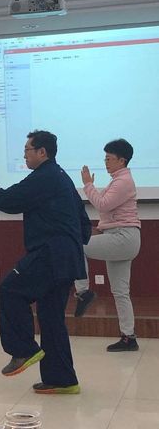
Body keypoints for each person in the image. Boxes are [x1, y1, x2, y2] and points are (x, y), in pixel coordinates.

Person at [0, 130, 91, 395]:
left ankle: (23, 350)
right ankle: (63, 379)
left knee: (10, 290)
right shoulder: (61, 177)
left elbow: (8, 201)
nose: (25, 156)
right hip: (66, 258)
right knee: (51, 318)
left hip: (50, 253)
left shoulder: (44, 177)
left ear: (42, 152)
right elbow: (84, 223)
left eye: (27, 150)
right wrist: (71, 245)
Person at [74, 138, 141, 352]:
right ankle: (129, 337)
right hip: (122, 237)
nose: (106, 162)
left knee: (75, 247)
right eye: (105, 159)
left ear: (122, 160)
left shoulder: (123, 181)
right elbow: (108, 210)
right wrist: (102, 228)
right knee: (121, 291)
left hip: (122, 238)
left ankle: (83, 292)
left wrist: (88, 185)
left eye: (109, 159)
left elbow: (102, 204)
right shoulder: (118, 181)